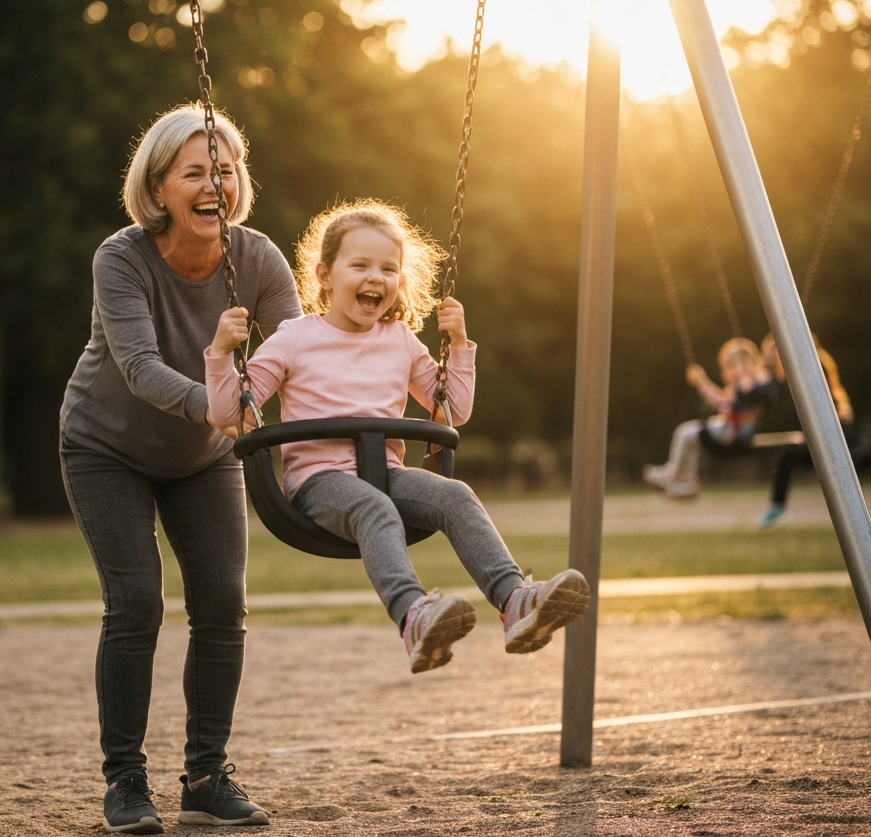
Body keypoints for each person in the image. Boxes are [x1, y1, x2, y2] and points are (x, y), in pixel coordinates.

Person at [205, 200, 590, 674]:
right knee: (374, 508)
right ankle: (413, 617)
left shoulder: (401, 339)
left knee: (456, 496)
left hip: (386, 473)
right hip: (319, 484)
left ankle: (514, 602)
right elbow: (228, 413)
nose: (377, 277)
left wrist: (461, 343)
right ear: (325, 275)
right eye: (361, 265)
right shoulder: (293, 338)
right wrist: (222, 353)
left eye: (389, 268)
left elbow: (454, 410)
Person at [59, 105, 302, 833]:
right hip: (106, 446)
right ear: (158, 186)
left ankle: (205, 775)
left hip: (203, 456)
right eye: (194, 173)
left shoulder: (256, 258)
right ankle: (125, 782)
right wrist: (224, 403)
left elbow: (301, 351)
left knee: (223, 603)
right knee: (135, 603)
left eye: (223, 172)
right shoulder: (121, 257)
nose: (212, 186)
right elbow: (137, 368)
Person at [757, 335, 871, 530]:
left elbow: (782, 381)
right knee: (816, 463)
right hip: (831, 427)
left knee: (791, 460)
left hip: (833, 428)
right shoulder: (812, 359)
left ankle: (777, 506)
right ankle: (861, 457)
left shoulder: (811, 361)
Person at [643, 338, 780, 500]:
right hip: (732, 427)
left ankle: (677, 478)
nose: (728, 372)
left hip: (734, 431)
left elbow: (721, 400)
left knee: (685, 433)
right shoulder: (742, 383)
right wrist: (701, 381)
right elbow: (719, 400)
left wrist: (702, 380)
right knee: (690, 438)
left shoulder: (755, 378)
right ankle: (681, 478)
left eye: (732, 366)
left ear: (748, 362)